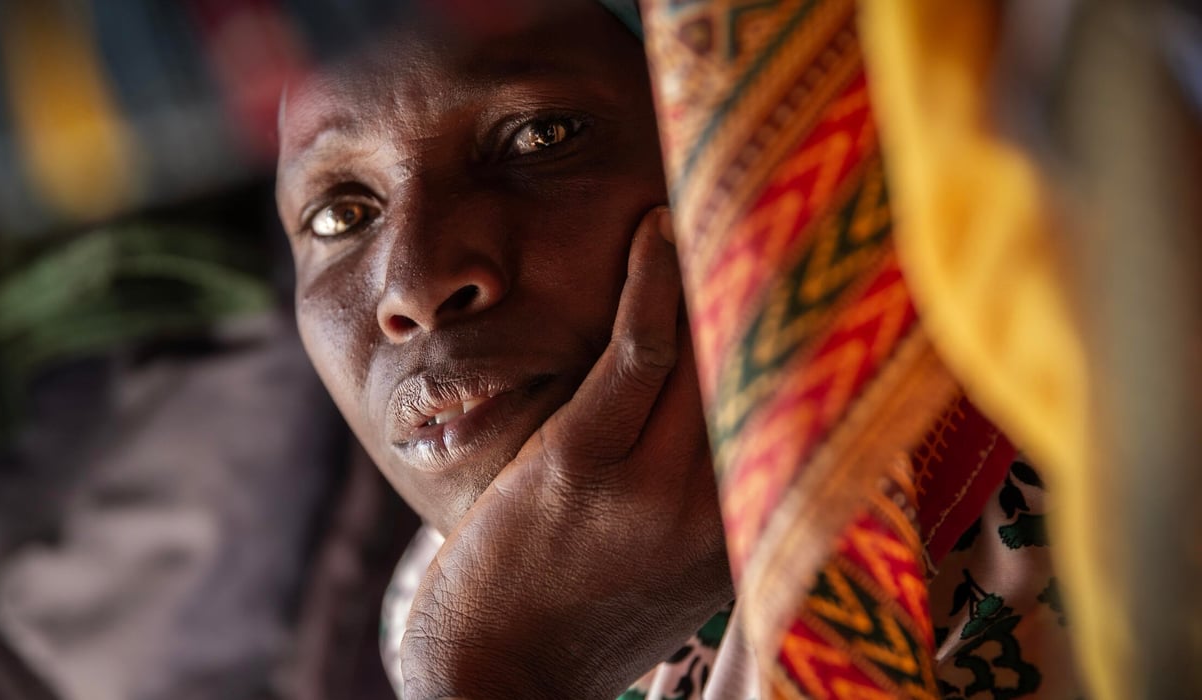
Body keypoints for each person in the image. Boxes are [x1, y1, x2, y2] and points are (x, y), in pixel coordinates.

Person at [275, 1, 1092, 698]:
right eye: (340, 215)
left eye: (539, 135)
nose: (414, 284)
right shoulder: (437, 598)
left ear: (747, 157)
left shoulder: (1085, 470)